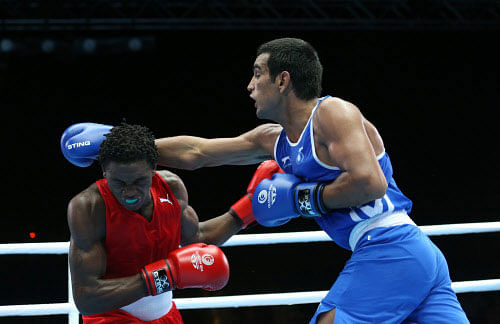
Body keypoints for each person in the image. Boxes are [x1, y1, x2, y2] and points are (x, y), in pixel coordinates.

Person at [151, 38, 470, 323]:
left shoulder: (332, 113)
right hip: (408, 256)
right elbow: (198, 151)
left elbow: (370, 183)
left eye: (258, 73)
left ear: (282, 80)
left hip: (390, 245)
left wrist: (302, 199)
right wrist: (120, 144)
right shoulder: (272, 141)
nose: (250, 85)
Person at [61, 122, 283, 323]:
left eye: (139, 181)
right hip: (112, 318)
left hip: (166, 316)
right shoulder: (88, 208)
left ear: (153, 169)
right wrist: (166, 275)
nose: (129, 191)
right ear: (104, 172)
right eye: (118, 182)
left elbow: (197, 238)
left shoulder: (171, 189)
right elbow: (86, 299)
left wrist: (251, 206)